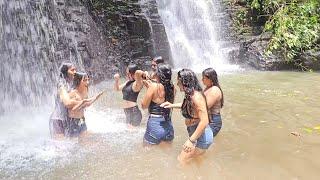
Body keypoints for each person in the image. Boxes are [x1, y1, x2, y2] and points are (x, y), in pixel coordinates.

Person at [161, 69, 213, 163]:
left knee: (181, 160)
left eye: (178, 81)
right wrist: (171, 105)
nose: (177, 83)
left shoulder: (196, 97)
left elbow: (204, 121)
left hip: (201, 137)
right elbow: (190, 106)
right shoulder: (190, 94)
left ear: (185, 81)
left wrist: (191, 141)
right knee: (196, 161)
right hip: (196, 133)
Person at [141, 63, 175, 145]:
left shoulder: (153, 87)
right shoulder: (172, 87)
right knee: (167, 154)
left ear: (159, 74)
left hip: (155, 125)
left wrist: (149, 89)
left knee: (147, 154)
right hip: (168, 125)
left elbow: (144, 106)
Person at [65, 72, 104, 138]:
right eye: (85, 80)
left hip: (82, 119)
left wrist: (96, 98)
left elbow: (87, 104)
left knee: (85, 141)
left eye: (88, 80)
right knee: (73, 143)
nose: (87, 82)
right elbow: (72, 110)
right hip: (73, 121)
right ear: (78, 81)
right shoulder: (72, 93)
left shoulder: (85, 91)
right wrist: (82, 102)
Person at [49, 62, 76, 138]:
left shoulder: (71, 84)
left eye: (75, 70)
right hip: (57, 120)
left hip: (67, 119)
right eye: (72, 70)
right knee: (60, 147)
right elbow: (67, 102)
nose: (75, 72)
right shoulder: (61, 85)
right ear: (65, 72)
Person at [202, 68, 223, 137]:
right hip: (209, 120)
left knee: (202, 144)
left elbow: (204, 107)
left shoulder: (214, 90)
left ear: (210, 79)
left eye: (204, 78)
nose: (202, 80)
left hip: (213, 121)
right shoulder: (208, 88)